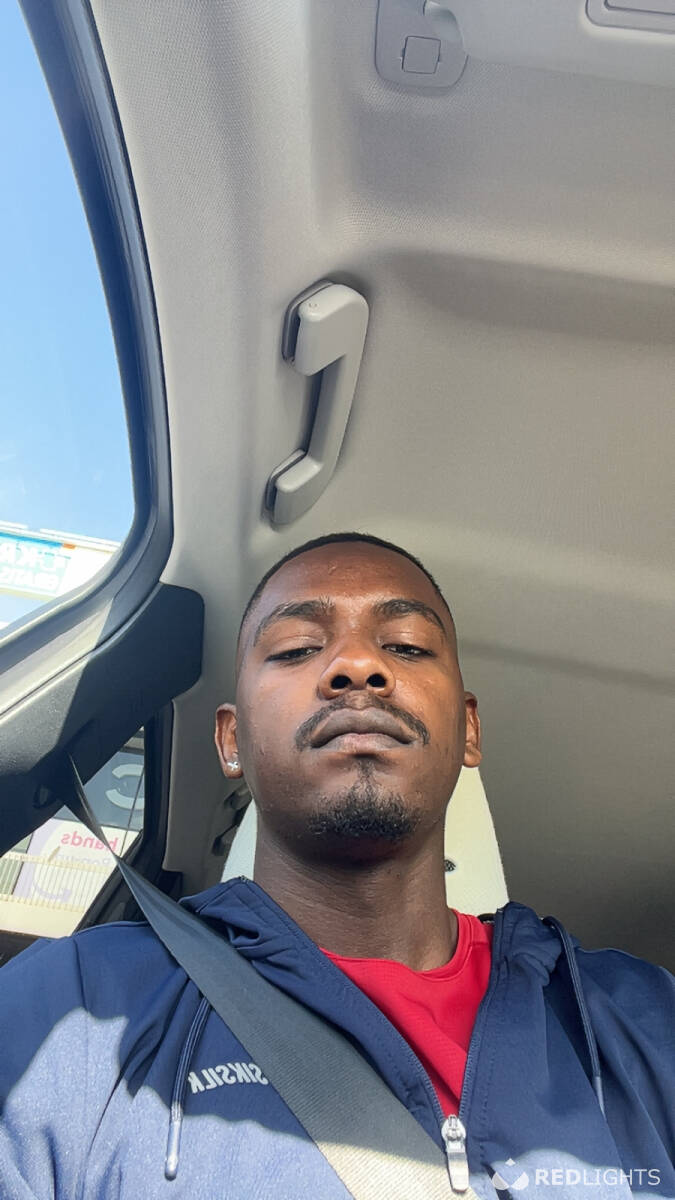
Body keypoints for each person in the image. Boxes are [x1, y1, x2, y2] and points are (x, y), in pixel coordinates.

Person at [0, 532, 673, 1199]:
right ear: (231, 740)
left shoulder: (642, 1015)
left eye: (406, 646)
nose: (356, 665)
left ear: (469, 729)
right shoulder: (75, 1007)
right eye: (297, 648)